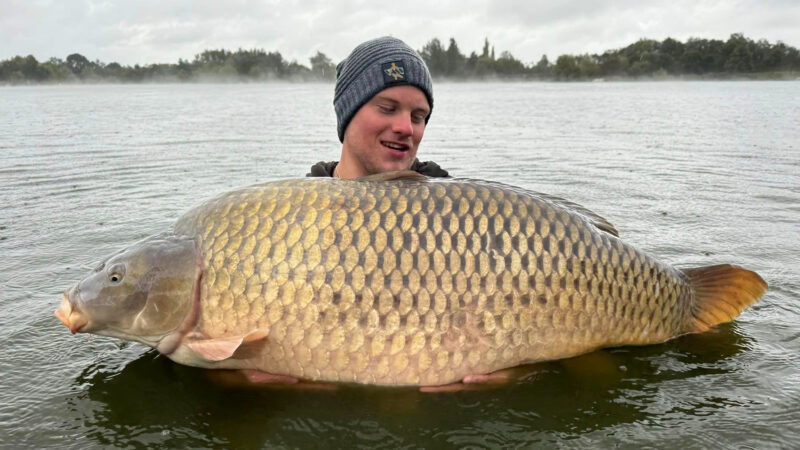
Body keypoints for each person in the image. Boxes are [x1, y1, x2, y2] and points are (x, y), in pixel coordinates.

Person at [307, 36, 449, 179]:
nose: (407, 128)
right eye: (387, 109)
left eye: (417, 117)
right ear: (348, 115)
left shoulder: (456, 199)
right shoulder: (293, 199)